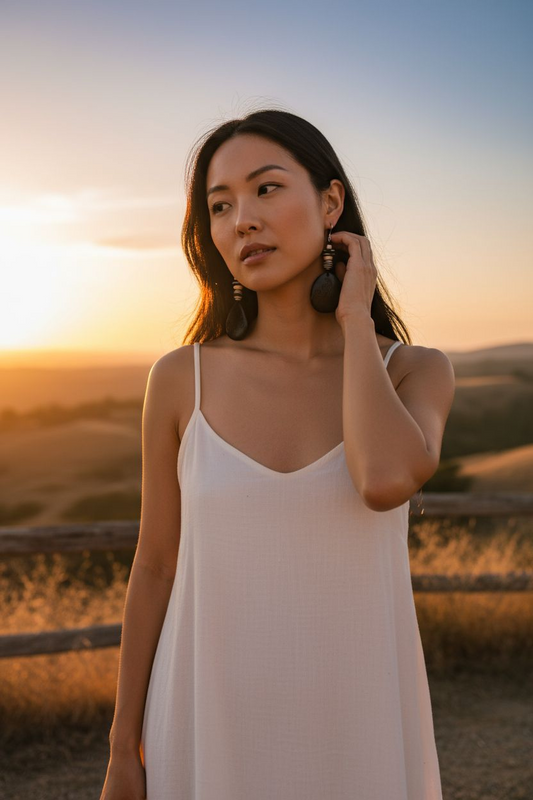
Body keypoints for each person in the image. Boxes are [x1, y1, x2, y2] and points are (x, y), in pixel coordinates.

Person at [100, 108, 455, 800]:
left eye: (266, 189)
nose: (242, 220)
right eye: (220, 205)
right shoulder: (180, 379)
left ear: (329, 202)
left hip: (361, 722)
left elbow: (383, 480)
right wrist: (122, 749)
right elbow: (155, 564)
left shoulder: (416, 373)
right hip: (206, 718)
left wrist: (354, 318)